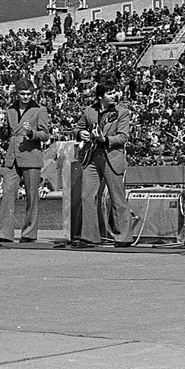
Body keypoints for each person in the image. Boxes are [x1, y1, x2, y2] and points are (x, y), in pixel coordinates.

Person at [73, 77, 133, 247]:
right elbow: (77, 128)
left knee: (117, 198)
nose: (114, 95)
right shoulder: (89, 111)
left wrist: (104, 139)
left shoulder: (122, 112)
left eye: (115, 92)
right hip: (92, 157)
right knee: (87, 196)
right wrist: (80, 134)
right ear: (100, 96)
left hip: (111, 156)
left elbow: (123, 137)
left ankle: (123, 237)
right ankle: (89, 237)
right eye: (110, 93)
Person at [0, 77, 50, 244]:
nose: (25, 97)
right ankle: (4, 233)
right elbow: (6, 135)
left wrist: (31, 133)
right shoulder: (10, 110)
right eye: (22, 93)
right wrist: (0, 128)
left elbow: (45, 135)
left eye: (28, 94)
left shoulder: (40, 110)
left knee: (32, 197)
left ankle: (29, 233)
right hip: (12, 156)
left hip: (31, 155)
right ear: (17, 93)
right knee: (7, 194)